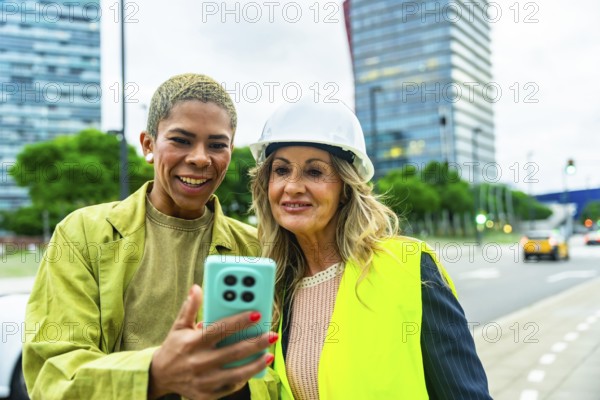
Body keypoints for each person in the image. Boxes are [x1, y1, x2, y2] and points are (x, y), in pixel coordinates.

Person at [23, 74, 279, 400]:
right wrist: (156, 372)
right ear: (148, 145)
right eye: (181, 140)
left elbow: (283, 373)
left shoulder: (259, 247)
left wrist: (240, 378)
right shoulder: (82, 234)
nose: (201, 157)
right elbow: (53, 375)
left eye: (217, 145)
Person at [249, 98, 492, 399]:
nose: (293, 186)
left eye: (314, 172)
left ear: (345, 188)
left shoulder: (410, 267)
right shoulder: (275, 287)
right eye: (282, 171)